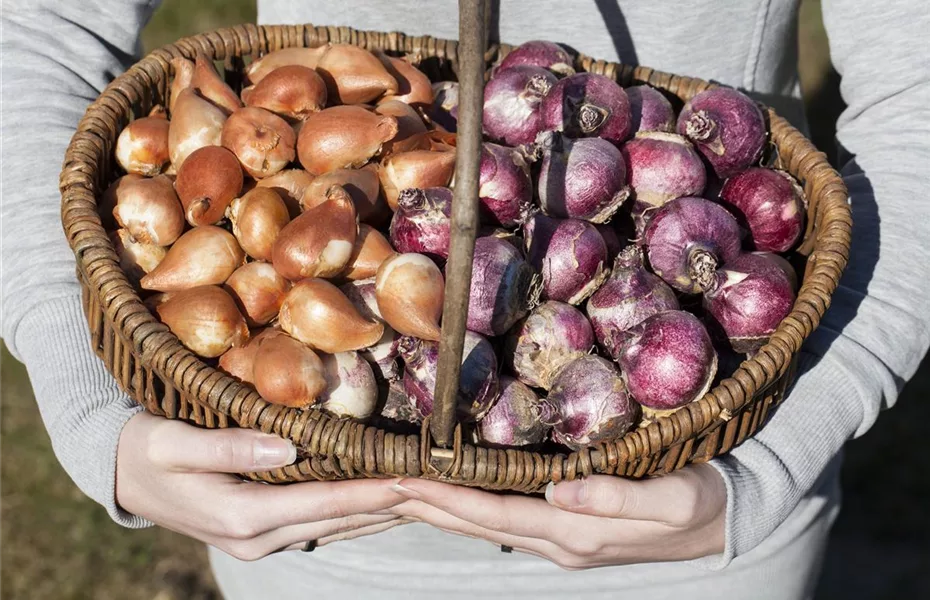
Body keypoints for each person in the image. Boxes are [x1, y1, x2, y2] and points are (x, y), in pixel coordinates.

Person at [2, 1, 928, 598]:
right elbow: (38, 28)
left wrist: (773, 464)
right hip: (310, 521)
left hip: (693, 510)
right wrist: (90, 411)